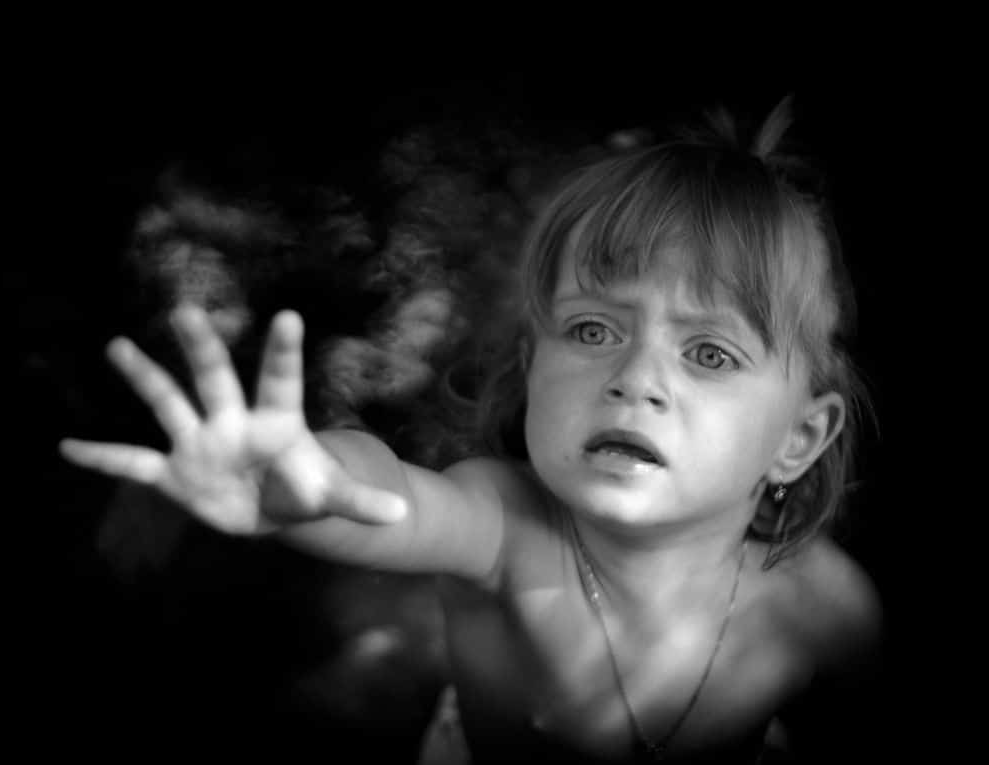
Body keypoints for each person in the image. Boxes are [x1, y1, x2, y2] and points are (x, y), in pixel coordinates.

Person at [61, 100, 883, 763]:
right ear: (532, 368)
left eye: (709, 352)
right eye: (593, 329)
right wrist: (305, 477)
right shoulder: (504, 529)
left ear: (799, 438)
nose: (636, 377)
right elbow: (396, 499)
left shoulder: (823, 608)